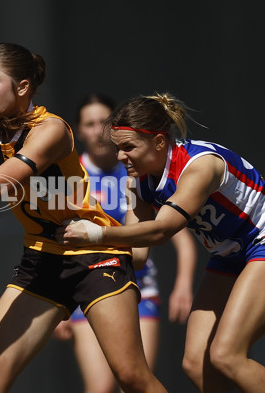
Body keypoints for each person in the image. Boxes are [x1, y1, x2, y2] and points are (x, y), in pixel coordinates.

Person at [0, 44, 167, 393]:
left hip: (95, 257)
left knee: (131, 377)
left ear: (22, 87)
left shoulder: (51, 129)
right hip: (41, 259)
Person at [56, 92, 265, 392]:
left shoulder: (200, 166)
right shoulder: (137, 181)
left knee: (226, 354)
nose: (121, 156)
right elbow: (137, 256)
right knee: (195, 363)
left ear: (159, 142)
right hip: (229, 254)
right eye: (117, 148)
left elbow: (163, 230)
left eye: (128, 148)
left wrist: (98, 234)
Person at [52, 93, 197, 393]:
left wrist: (183, 284)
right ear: (79, 131)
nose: (97, 131)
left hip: (140, 286)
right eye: (89, 124)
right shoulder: (69, 177)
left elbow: (173, 231)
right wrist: (57, 302)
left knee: (136, 382)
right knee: (101, 387)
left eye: (104, 123)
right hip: (86, 289)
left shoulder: (139, 170)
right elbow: (55, 241)